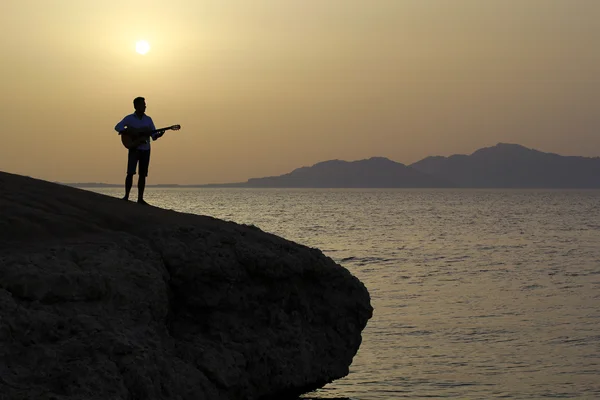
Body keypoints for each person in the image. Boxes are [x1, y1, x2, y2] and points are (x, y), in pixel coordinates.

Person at [114, 97, 163, 205]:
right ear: (136, 106)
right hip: (134, 148)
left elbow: (153, 136)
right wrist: (129, 131)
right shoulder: (129, 118)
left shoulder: (148, 120)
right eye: (143, 104)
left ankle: (140, 198)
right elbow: (117, 127)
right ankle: (126, 196)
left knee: (143, 174)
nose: (145, 106)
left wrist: (158, 135)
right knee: (130, 172)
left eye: (145, 104)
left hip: (145, 149)